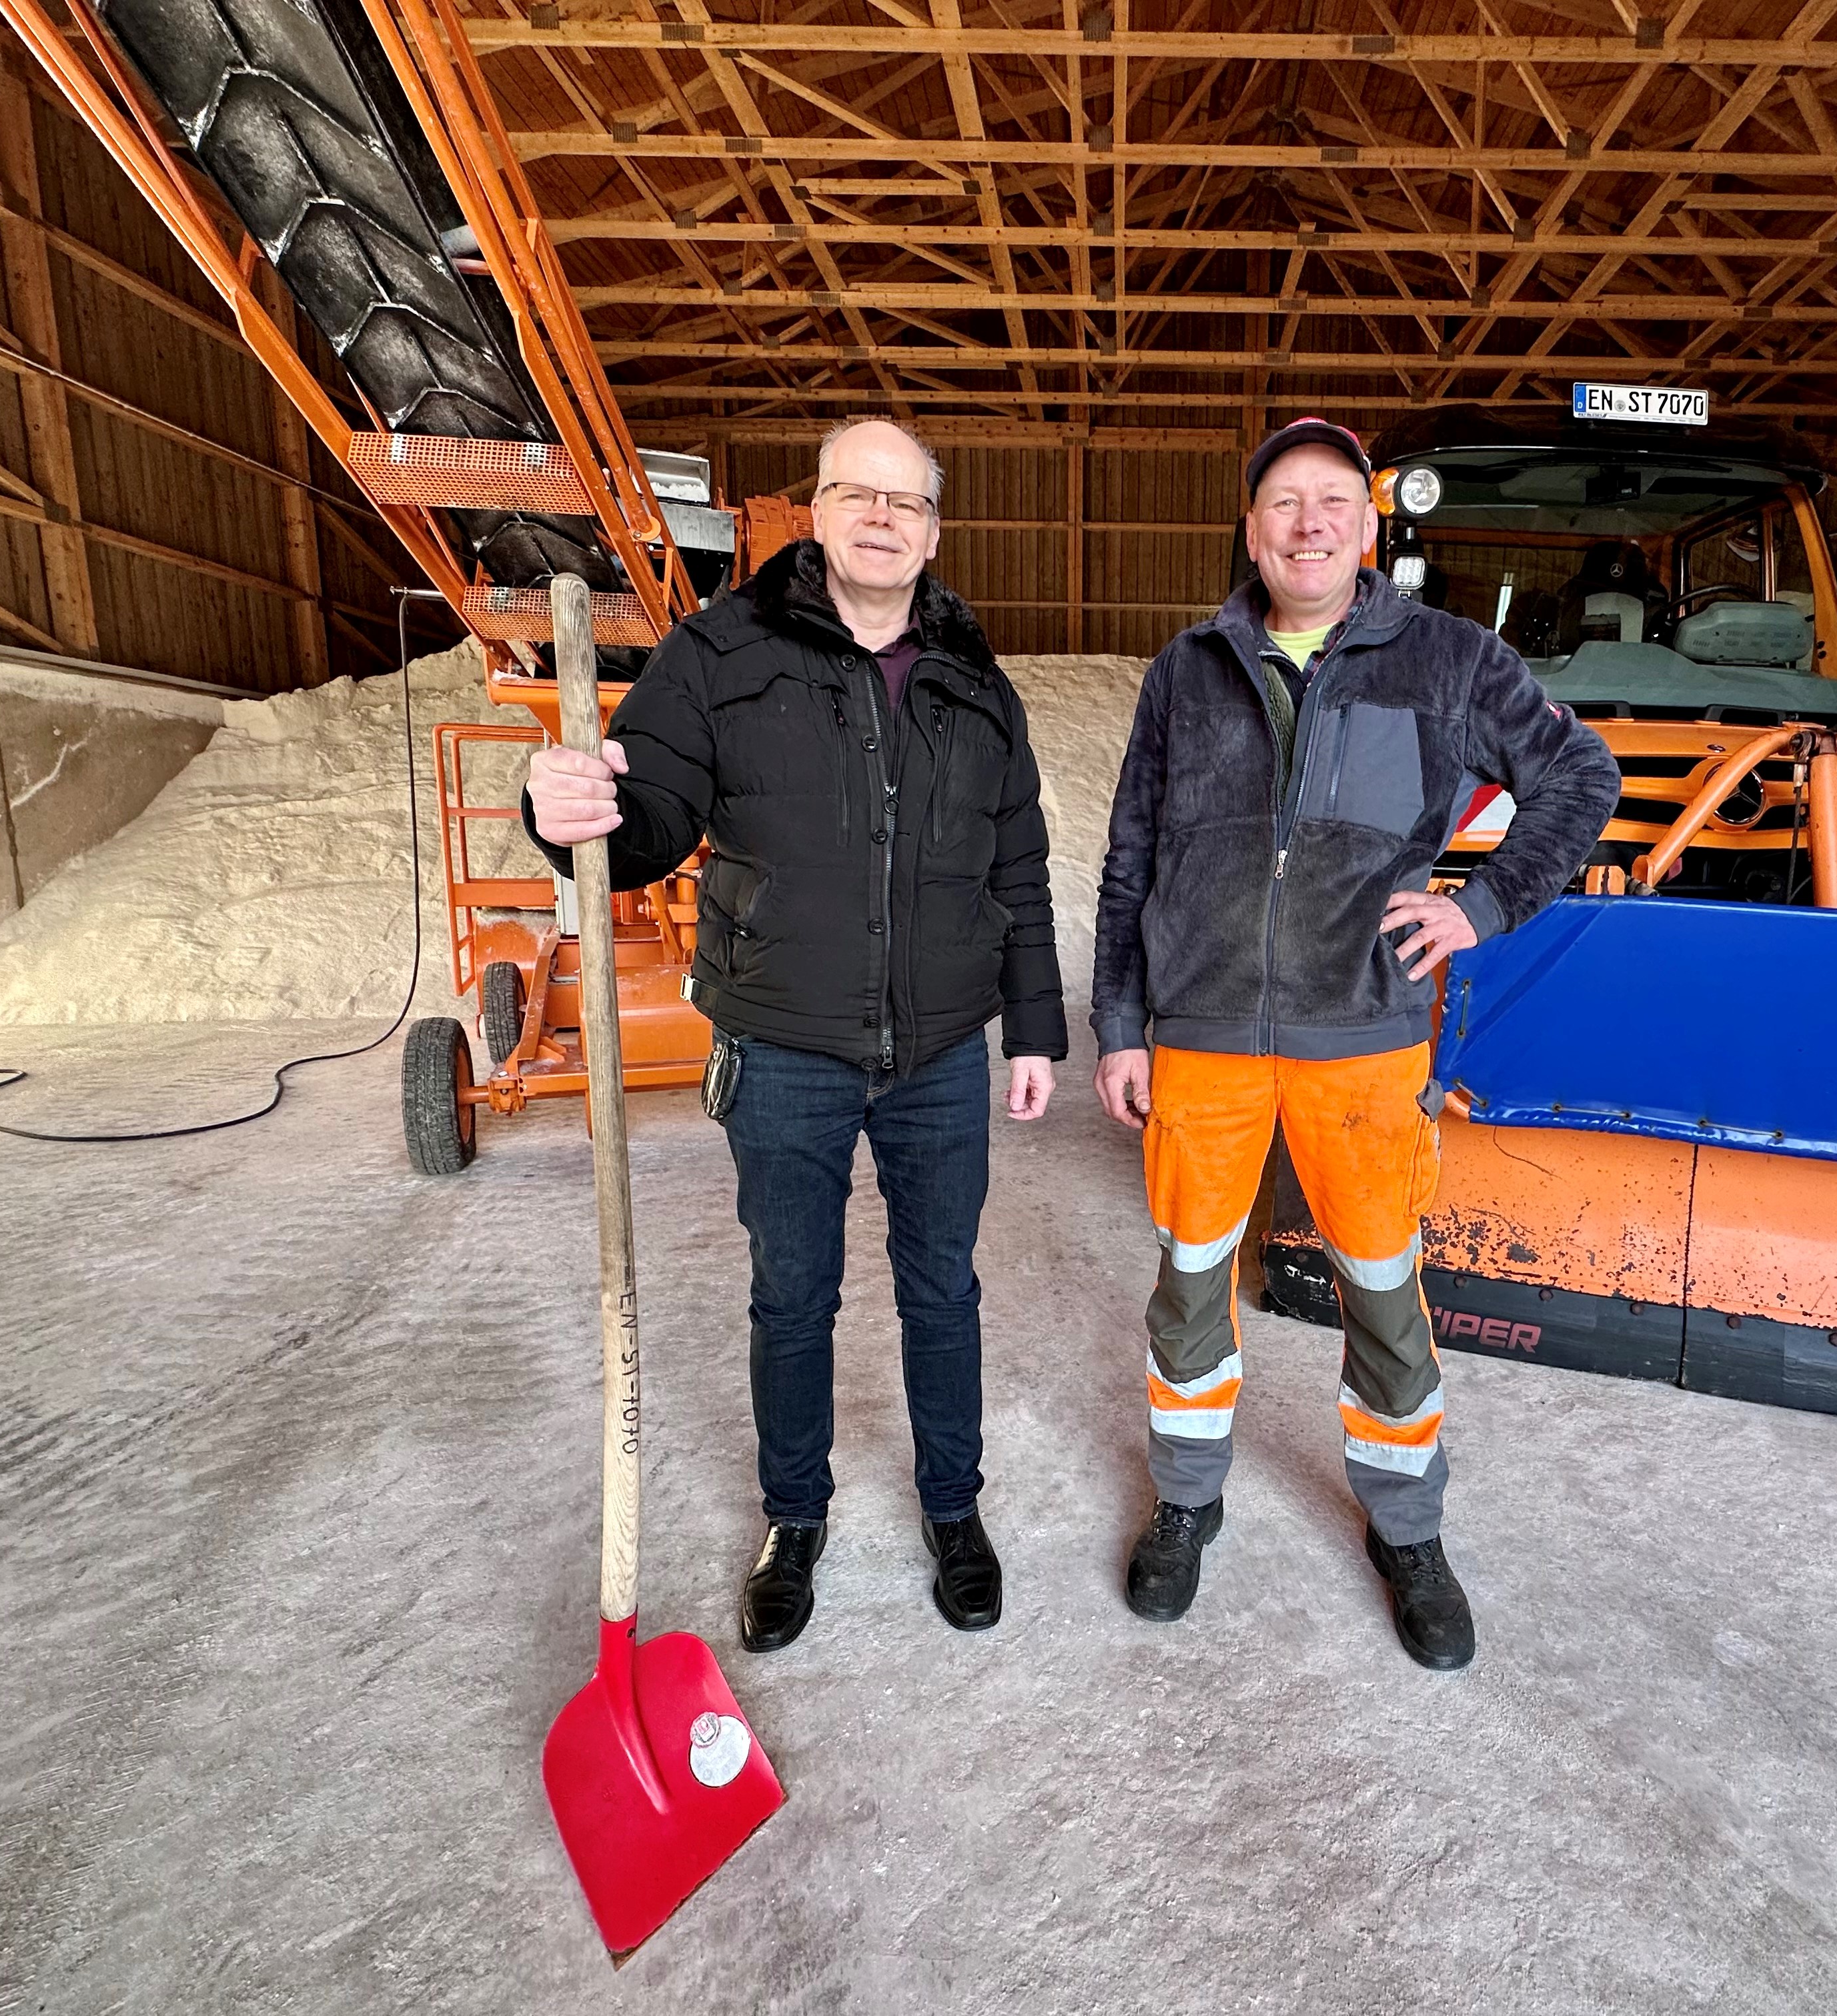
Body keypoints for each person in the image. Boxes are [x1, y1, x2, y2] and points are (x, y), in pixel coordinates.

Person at [524, 417, 1066, 1651]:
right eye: (853, 494)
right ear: (813, 514)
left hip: (938, 1056)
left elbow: (1018, 866)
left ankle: (952, 1508)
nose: (882, 517)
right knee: (791, 1296)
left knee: (943, 1292)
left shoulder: (978, 685)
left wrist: (1032, 1026)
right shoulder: (716, 654)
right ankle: (795, 1519)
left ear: (934, 530)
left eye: (907, 502)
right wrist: (564, 811)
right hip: (781, 1046)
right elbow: (643, 815)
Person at [1091, 417, 1620, 1670]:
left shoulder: (1443, 659)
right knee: (1187, 1279)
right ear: (1252, 525)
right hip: (1206, 1039)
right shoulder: (1186, 668)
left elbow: (1578, 777)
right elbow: (1129, 858)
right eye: (1283, 501)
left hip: (1364, 1040)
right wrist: (1120, 1023)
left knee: (1382, 1289)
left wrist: (1479, 906)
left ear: (1368, 526)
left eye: (1332, 500)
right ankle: (1184, 1500)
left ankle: (1406, 1527)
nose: (1308, 523)